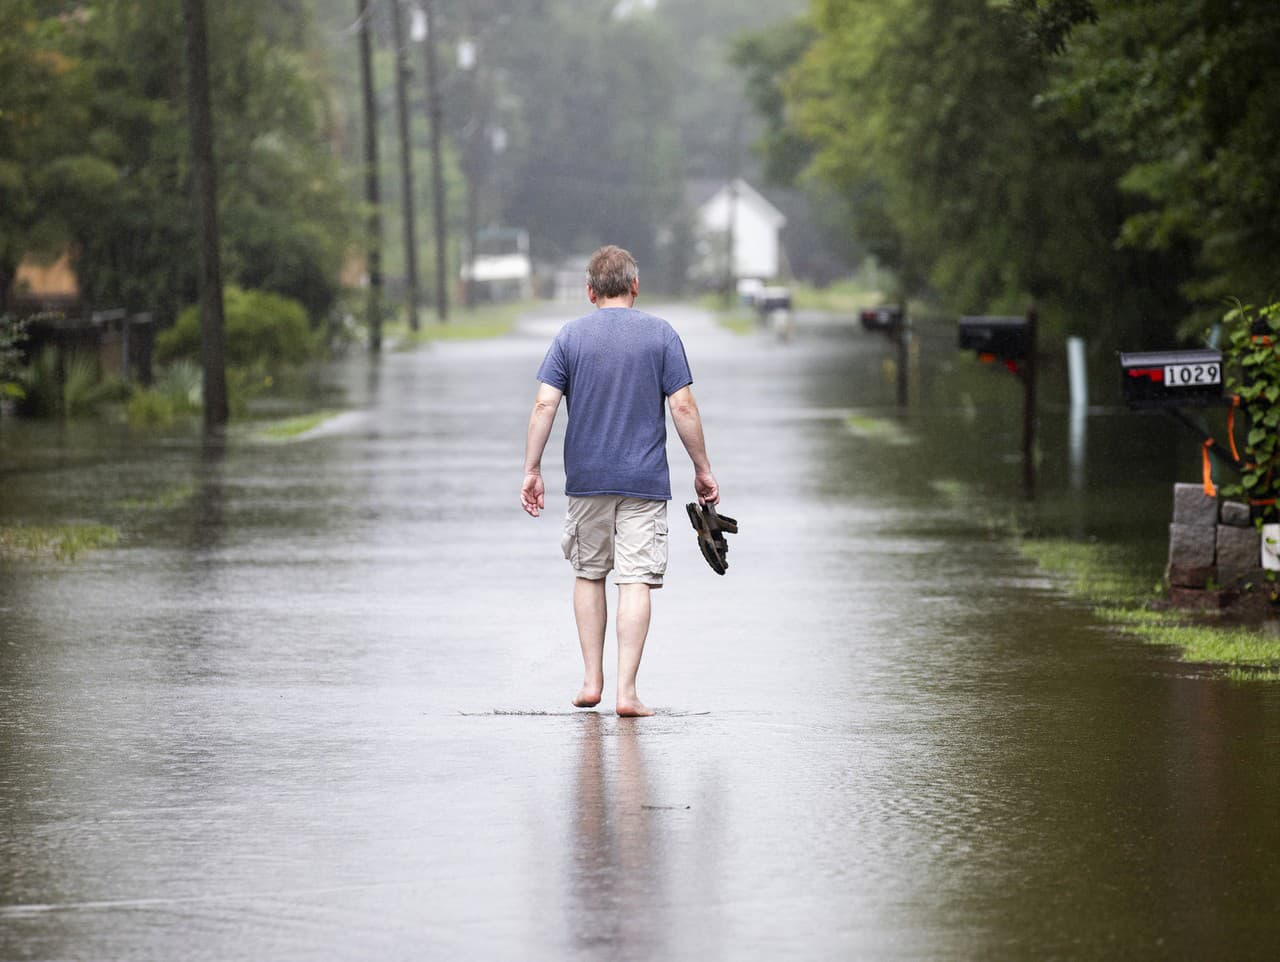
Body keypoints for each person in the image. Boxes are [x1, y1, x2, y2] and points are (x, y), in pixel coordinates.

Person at [521, 245, 718, 717]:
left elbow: (544, 405)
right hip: (644, 480)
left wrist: (532, 469)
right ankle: (626, 694)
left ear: (589, 291)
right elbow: (683, 406)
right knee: (635, 581)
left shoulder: (569, 337)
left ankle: (592, 681)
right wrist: (702, 468)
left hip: (586, 480)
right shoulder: (662, 335)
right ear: (635, 286)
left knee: (589, 574)